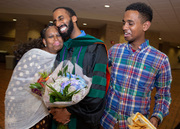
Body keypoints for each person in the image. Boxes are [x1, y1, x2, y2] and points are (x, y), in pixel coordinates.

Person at [100, 2, 172, 129]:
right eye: (124, 22)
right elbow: (98, 71)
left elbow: (163, 96)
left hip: (135, 125)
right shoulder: (115, 50)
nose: (124, 27)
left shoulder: (161, 60)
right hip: (106, 122)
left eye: (130, 23)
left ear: (145, 25)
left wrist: (156, 117)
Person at [50, 7, 110, 129]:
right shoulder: (62, 48)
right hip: (59, 116)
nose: (57, 23)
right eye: (55, 21)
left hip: (82, 118)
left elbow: (98, 88)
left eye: (61, 18)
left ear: (74, 18)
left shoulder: (96, 47)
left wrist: (69, 111)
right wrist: (56, 108)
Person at [5, 23, 63, 129]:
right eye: (51, 36)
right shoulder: (34, 55)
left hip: (44, 111)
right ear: (44, 41)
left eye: (58, 35)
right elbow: (29, 85)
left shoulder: (61, 56)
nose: (56, 39)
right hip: (24, 108)